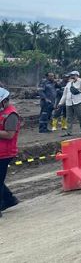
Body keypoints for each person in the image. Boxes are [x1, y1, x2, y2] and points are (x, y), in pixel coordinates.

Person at [0, 87, 21, 218]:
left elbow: (9, 135)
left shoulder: (11, 115)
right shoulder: (2, 111)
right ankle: (9, 199)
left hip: (5, 153)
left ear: (4, 101)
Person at [58, 70, 81, 137]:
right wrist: (60, 103)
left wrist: (78, 79)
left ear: (77, 75)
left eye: (73, 75)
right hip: (69, 102)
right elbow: (65, 94)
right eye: (71, 75)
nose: (71, 76)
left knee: (80, 117)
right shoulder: (68, 84)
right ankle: (68, 132)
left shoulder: (80, 82)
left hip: (77, 102)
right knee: (69, 118)